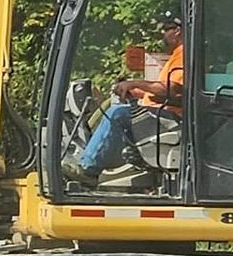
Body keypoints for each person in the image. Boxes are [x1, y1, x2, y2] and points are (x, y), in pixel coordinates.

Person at [62, 12, 185, 183]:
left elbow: (172, 90)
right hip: (162, 113)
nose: (162, 33)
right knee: (112, 108)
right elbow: (160, 90)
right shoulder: (177, 55)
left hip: (171, 118)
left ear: (177, 31)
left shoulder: (184, 54)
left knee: (117, 114)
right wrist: (134, 91)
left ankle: (88, 169)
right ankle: (93, 157)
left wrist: (135, 83)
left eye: (166, 29)